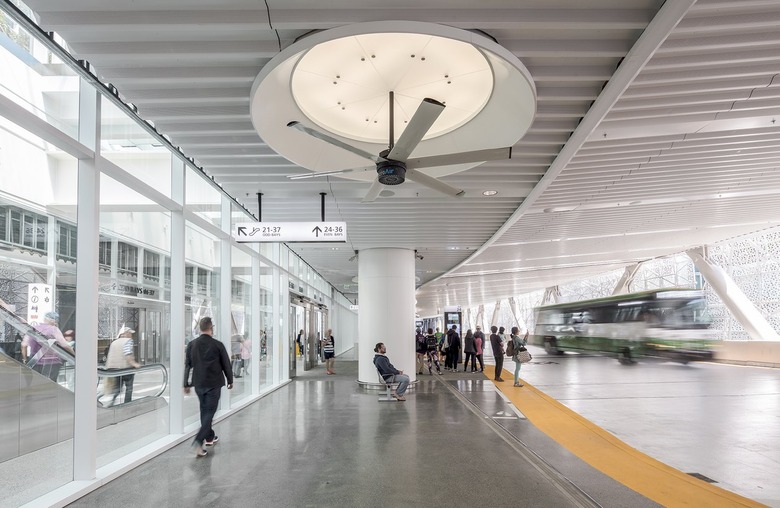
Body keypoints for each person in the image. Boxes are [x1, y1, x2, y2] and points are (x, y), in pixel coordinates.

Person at [184, 317, 233, 457]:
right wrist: (230, 380)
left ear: (200, 328)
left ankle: (210, 437)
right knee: (210, 412)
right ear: (211, 328)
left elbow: (188, 365)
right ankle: (198, 442)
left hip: (199, 383)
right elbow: (226, 364)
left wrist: (185, 383)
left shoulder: (192, 344)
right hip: (214, 383)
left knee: (204, 410)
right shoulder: (218, 345)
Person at [22, 311, 74, 381]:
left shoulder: (33, 328)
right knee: (50, 384)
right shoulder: (54, 329)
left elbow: (23, 345)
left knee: (37, 383)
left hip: (34, 362)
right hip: (52, 362)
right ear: (53, 321)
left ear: (44, 319)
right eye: (56, 320)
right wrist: (74, 355)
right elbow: (65, 346)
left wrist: (25, 359)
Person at [105, 325, 141, 406]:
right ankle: (127, 403)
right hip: (125, 368)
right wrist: (134, 364)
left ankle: (112, 402)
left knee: (117, 388)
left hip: (113, 369)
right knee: (129, 387)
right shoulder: (128, 341)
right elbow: (127, 353)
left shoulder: (114, 342)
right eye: (130, 333)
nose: (131, 335)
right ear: (125, 333)